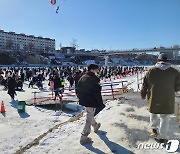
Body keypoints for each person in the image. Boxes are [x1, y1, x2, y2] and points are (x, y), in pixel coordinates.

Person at [141, 53, 180, 143]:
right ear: (168, 61)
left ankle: (154, 130)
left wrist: (143, 94)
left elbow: (145, 84)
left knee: (153, 114)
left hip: (154, 98)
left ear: (158, 60)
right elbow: (178, 87)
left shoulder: (151, 71)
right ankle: (162, 137)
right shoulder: (174, 72)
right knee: (165, 118)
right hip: (168, 99)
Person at [77, 64, 105, 144]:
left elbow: (78, 88)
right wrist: (99, 102)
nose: (97, 71)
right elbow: (96, 92)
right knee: (88, 120)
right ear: (92, 70)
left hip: (84, 100)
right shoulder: (93, 79)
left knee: (90, 114)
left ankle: (95, 126)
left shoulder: (83, 77)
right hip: (91, 101)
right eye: (96, 69)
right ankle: (83, 137)